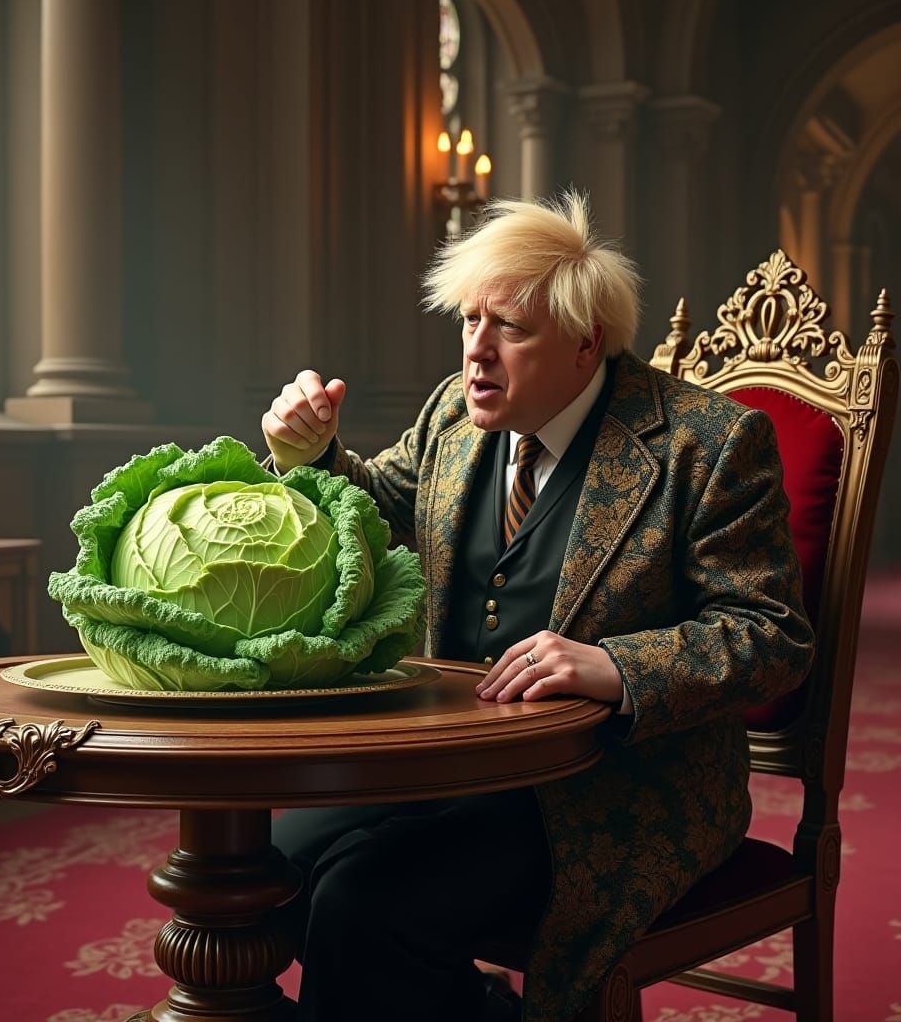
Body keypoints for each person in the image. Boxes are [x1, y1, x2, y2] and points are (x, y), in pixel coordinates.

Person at [261, 192, 814, 1022]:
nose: (476, 352)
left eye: (508, 329)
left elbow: (771, 636)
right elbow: (377, 510)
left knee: (363, 903)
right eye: (468, 321)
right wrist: (310, 456)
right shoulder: (455, 413)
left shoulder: (709, 444)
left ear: (587, 341)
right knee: (265, 866)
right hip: (448, 759)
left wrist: (614, 666)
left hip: (611, 785)